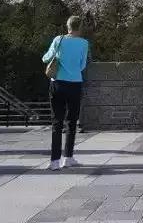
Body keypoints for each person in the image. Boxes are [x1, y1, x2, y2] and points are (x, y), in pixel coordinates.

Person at [42, 15, 90, 170]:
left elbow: (46, 58)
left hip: (57, 84)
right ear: (80, 27)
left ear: (67, 26)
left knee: (57, 122)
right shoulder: (84, 43)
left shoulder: (59, 40)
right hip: (75, 83)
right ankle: (68, 157)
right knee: (72, 121)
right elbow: (83, 65)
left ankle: (54, 161)